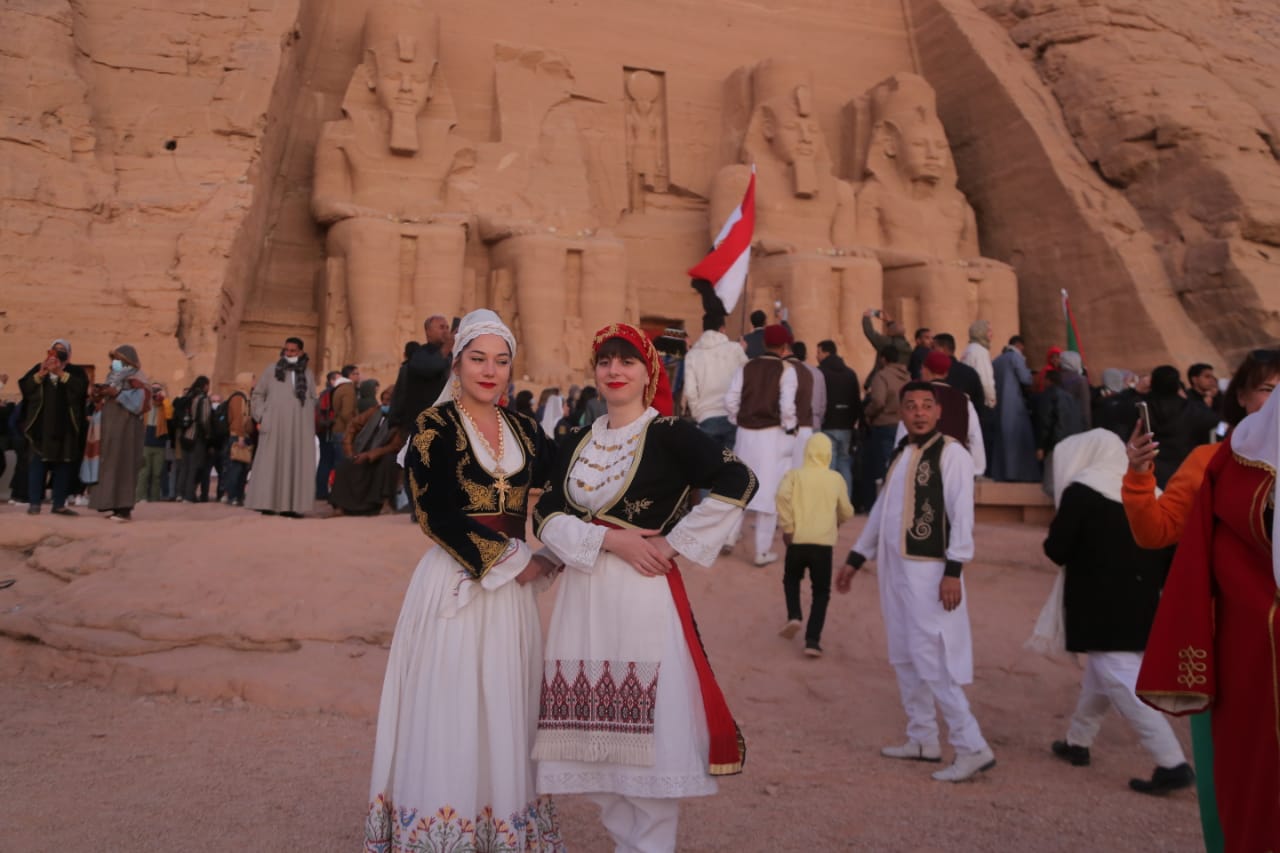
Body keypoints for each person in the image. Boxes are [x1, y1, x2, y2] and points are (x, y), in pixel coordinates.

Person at [532, 322, 757, 853]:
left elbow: (739, 480)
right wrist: (611, 541)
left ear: (648, 371)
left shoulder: (671, 433)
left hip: (641, 597)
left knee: (644, 740)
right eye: (605, 361)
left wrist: (673, 544)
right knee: (597, 748)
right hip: (583, 599)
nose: (614, 370)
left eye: (627, 361)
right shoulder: (577, 440)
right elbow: (545, 514)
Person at [365, 310, 564, 852]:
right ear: (457, 363)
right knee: (451, 706)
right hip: (456, 582)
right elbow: (436, 514)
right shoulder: (434, 427)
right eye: (478, 358)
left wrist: (560, 546)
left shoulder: (526, 430)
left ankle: (499, 829)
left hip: (511, 598)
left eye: (501, 361)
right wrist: (517, 561)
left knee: (505, 704)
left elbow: (568, 485)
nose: (490, 371)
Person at [1122, 348, 1280, 853]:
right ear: (1242, 397)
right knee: (1239, 779)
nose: (1277, 399)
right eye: (1268, 389)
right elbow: (1156, 530)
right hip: (1236, 651)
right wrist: (1140, 476)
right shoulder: (1212, 461)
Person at [836, 382, 995, 782]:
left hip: (930, 570)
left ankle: (971, 745)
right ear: (902, 413)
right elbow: (882, 511)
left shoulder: (953, 454)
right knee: (904, 651)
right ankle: (922, 738)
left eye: (926, 405)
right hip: (895, 567)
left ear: (938, 411)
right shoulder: (901, 454)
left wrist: (954, 570)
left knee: (930, 654)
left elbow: (962, 515)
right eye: (911, 406)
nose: (919, 413)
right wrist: (857, 556)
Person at [1038, 430, 1191, 794]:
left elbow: (1057, 549)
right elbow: (1169, 551)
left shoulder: (1081, 491)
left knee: (1118, 676)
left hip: (1097, 602)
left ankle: (1171, 762)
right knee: (1102, 672)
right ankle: (1078, 741)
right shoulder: (1150, 491)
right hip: (1142, 600)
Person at [725, 324, 797, 566]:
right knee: (768, 493)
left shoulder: (746, 366)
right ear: (785, 346)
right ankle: (762, 551)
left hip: (745, 435)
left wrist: (738, 419)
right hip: (771, 436)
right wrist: (790, 427)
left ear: (764, 343)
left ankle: (729, 536)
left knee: (741, 486)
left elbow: (730, 400)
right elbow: (787, 408)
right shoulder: (787, 370)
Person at [776, 433, 853, 657]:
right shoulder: (836, 478)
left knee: (791, 579)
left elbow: (781, 496)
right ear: (829, 454)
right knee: (821, 592)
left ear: (806, 452)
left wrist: (788, 526)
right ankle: (812, 640)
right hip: (823, 545)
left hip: (797, 541)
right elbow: (847, 510)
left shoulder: (794, 475)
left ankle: (794, 615)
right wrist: (837, 520)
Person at [246, 337, 316, 518]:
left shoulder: (307, 373)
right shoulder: (272, 370)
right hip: (275, 425)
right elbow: (258, 394)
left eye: (293, 351)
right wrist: (262, 415)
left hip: (298, 428)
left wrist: (307, 421)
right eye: (286, 350)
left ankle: (292, 507)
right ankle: (267, 503)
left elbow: (312, 399)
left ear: (300, 352)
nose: (289, 354)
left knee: (295, 464)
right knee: (271, 463)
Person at [19, 339, 88, 516]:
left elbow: (81, 390)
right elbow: (26, 388)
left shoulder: (76, 372)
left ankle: (59, 504)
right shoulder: (39, 368)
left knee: (63, 467)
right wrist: (41, 374)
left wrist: (59, 373)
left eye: (62, 350)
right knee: (37, 465)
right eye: (55, 349)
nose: (58, 352)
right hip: (41, 428)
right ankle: (34, 503)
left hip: (65, 428)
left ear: (69, 355)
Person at [897, 351, 985, 475]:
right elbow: (975, 437)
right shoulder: (963, 400)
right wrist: (976, 469)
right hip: (955, 466)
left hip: (921, 467)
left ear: (926, 370)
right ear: (946, 373)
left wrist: (897, 463)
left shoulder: (917, 398)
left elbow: (904, 431)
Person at [89, 345, 149, 522]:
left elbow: (140, 403)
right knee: (110, 464)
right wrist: (99, 394)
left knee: (125, 464)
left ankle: (123, 509)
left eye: (118, 359)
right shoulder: (112, 376)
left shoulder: (137, 377)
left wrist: (117, 394)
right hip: (110, 427)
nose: (115, 363)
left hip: (128, 429)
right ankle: (109, 503)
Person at [330, 388, 403, 517]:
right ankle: (341, 507)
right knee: (345, 465)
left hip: (383, 452)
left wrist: (370, 455)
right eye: (383, 400)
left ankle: (385, 504)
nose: (385, 403)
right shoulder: (374, 412)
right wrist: (350, 450)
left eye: (388, 401)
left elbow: (395, 445)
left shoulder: (401, 418)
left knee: (387, 463)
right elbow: (353, 425)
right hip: (364, 449)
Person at [684, 309, 748, 452]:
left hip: (706, 416)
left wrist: (698, 413)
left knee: (709, 463)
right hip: (733, 415)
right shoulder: (735, 349)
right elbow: (748, 378)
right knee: (733, 463)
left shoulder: (692, 355)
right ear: (722, 329)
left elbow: (690, 391)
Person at [854, 345, 909, 512]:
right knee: (898, 466)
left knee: (881, 468)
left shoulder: (882, 376)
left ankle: (880, 506)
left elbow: (878, 401)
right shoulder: (907, 376)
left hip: (883, 425)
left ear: (883, 359)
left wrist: (867, 413)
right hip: (902, 425)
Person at [1145, 364, 1218, 488]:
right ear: (1177, 385)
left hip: (1153, 472)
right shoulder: (1193, 409)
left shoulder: (1143, 409)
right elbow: (1220, 426)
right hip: (1186, 471)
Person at [389, 314, 453, 434]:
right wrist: (447, 347)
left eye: (447, 327)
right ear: (428, 331)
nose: (446, 331)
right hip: (422, 424)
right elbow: (431, 367)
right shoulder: (420, 354)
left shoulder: (450, 355)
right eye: (441, 327)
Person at [991, 336, 1039, 482]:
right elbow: (1026, 379)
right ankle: (1018, 474)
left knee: (1001, 442)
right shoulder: (1015, 357)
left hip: (999, 408)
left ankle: (1001, 473)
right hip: (1015, 407)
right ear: (1019, 345)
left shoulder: (997, 360)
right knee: (1018, 441)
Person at [816, 340, 860, 496]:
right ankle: (845, 500)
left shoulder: (820, 373)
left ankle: (830, 500)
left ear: (826, 353)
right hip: (846, 426)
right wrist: (852, 422)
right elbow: (856, 401)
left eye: (818, 352)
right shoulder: (850, 373)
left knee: (830, 463)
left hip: (828, 424)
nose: (817, 356)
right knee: (844, 462)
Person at [1035, 368, 1087, 498]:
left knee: (1050, 485)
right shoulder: (1069, 397)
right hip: (1070, 443)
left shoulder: (1048, 395)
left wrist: (1041, 446)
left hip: (1054, 443)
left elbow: (1045, 421)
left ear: (1048, 380)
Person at [176, 377, 213, 503]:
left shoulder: (188, 396)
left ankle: (180, 493)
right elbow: (205, 419)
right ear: (205, 385)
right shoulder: (203, 399)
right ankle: (189, 495)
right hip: (197, 437)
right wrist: (208, 434)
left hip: (184, 435)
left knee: (184, 466)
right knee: (194, 466)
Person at [136, 383, 172, 503]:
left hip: (159, 442)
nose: (155, 392)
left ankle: (154, 497)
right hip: (146, 442)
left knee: (157, 473)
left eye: (157, 390)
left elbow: (169, 415)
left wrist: (164, 398)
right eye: (153, 389)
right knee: (144, 472)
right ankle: (141, 496)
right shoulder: (145, 404)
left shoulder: (164, 406)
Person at [931, 333, 984, 413]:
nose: (930, 351)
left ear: (943, 349)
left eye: (933, 348)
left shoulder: (934, 373)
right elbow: (979, 405)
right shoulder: (970, 372)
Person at [220, 384, 253, 507]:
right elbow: (238, 418)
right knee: (235, 469)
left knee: (243, 469)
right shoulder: (238, 397)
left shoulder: (246, 396)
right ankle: (232, 496)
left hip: (244, 436)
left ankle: (239, 495)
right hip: (238, 436)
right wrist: (240, 436)